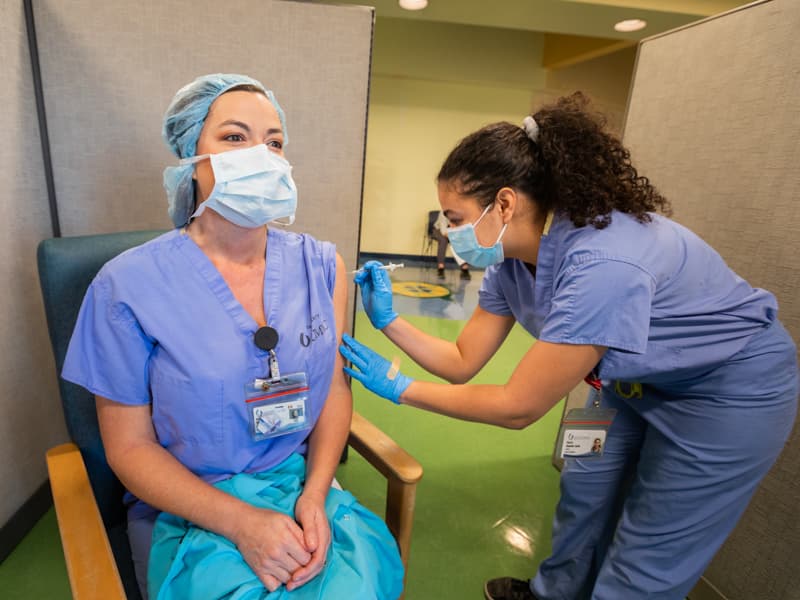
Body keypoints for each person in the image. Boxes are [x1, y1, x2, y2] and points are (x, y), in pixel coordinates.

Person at [339, 92, 799, 600]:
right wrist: (388, 322)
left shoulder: (604, 264)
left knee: (649, 548)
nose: (448, 232)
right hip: (622, 386)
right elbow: (462, 361)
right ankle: (553, 592)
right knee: (583, 486)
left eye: (453, 216)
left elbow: (519, 407)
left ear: (505, 203)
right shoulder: (510, 262)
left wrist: (401, 388)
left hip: (723, 393)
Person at [62, 73, 402, 600]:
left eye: (274, 142)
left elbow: (333, 390)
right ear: (191, 158)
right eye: (235, 137)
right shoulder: (126, 287)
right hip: (191, 504)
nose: (261, 155)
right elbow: (129, 447)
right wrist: (242, 524)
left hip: (299, 489)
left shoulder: (321, 266)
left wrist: (315, 497)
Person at [430, 210, 471, 279]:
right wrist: (454, 238)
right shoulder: (443, 213)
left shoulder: (461, 213)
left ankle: (464, 268)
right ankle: (441, 268)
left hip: (453, 231)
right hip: (438, 230)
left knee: (459, 241)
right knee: (443, 240)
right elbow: (444, 232)